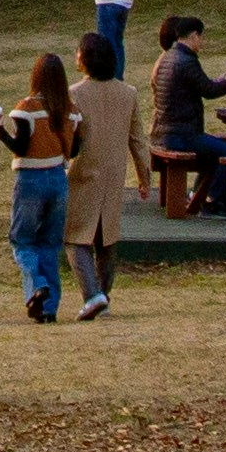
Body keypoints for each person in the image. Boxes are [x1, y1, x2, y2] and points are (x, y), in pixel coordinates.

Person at [0, 50, 84, 319]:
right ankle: (49, 309)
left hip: (30, 178)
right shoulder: (71, 111)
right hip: (58, 177)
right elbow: (74, 150)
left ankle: (37, 286)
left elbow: (20, 146)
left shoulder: (26, 109)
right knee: (50, 245)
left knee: (23, 241)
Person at [67, 29, 149, 318]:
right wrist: (144, 176)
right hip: (114, 174)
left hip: (82, 172)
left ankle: (93, 294)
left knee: (76, 235)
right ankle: (103, 293)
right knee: (107, 236)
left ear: (85, 59)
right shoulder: (128, 94)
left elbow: (68, 138)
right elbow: (138, 139)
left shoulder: (74, 94)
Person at [149, 14, 226, 217]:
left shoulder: (168, 57)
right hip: (182, 134)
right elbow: (209, 90)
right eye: (201, 37)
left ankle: (211, 199)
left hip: (167, 131)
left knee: (215, 154)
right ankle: (211, 201)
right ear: (193, 35)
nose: (202, 42)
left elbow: (199, 84)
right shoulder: (186, 60)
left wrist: (218, 81)